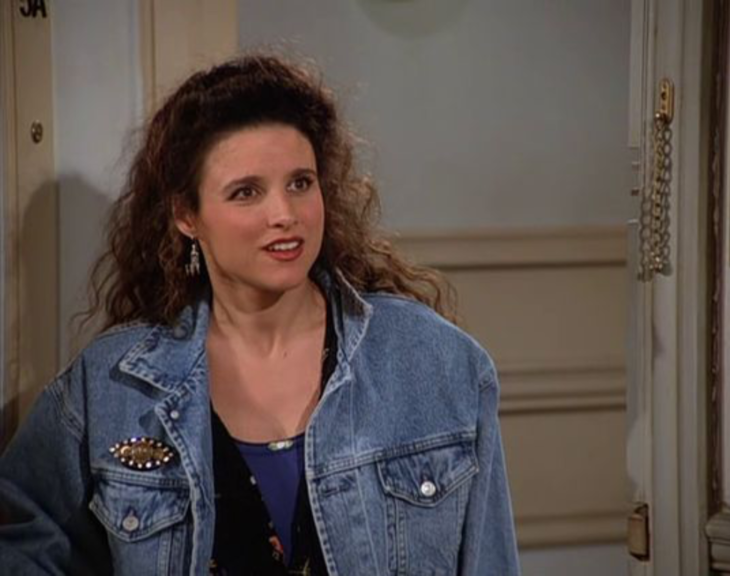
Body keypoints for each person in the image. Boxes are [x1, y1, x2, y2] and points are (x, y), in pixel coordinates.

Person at [0, 53, 520, 575]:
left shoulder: (437, 363)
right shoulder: (112, 387)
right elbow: (22, 540)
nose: (284, 215)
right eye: (246, 192)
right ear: (186, 215)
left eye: (300, 183)